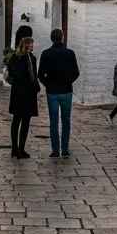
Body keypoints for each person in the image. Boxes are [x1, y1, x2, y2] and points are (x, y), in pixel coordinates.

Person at [37, 28, 80, 158]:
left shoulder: (46, 53)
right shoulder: (69, 53)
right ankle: (65, 149)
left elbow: (40, 74)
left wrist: (48, 84)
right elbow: (76, 72)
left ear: (51, 38)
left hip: (52, 92)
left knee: (54, 122)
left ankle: (55, 151)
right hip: (66, 91)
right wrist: (68, 82)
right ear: (62, 37)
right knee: (66, 121)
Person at [7, 26, 38, 159]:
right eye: (31, 44)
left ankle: (14, 149)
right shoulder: (30, 59)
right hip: (28, 94)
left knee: (15, 120)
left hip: (16, 93)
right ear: (27, 45)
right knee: (25, 122)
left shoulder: (14, 57)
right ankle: (21, 149)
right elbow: (33, 77)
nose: (33, 46)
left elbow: (11, 74)